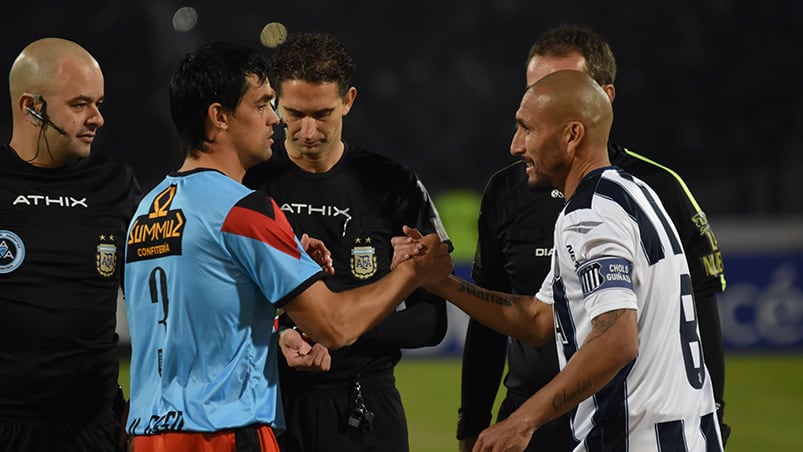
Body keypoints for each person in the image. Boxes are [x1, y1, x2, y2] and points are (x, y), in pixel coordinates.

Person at [123, 41, 452, 452]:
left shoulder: (148, 208)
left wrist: (280, 310)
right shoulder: (245, 207)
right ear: (219, 117)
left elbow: (207, 309)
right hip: (223, 429)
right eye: (265, 105)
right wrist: (413, 271)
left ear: (347, 101)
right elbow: (333, 326)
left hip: (151, 432)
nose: (275, 121)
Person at [395, 70, 724, 451]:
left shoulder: (588, 216)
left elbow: (617, 340)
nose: (515, 147)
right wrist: (440, 282)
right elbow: (539, 318)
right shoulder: (636, 194)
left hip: (634, 440)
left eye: (527, 129)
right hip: (684, 437)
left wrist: (521, 421)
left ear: (572, 135)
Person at [242, 31, 451, 452]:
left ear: (348, 100)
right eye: (294, 113)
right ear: (275, 104)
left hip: (365, 408)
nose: (307, 130)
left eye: (322, 114)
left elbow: (432, 322)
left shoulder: (393, 184)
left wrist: (342, 332)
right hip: (266, 404)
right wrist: (282, 331)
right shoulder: (247, 182)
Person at [0, 37, 141, 451]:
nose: (97, 118)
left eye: (98, 103)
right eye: (80, 104)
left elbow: (160, 290)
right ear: (31, 108)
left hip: (92, 430)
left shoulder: (114, 184)